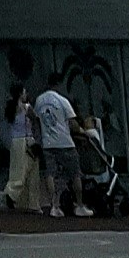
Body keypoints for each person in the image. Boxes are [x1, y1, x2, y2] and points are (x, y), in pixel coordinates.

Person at [33, 71, 80, 220]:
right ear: (59, 84)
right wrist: (81, 130)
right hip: (65, 142)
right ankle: (80, 204)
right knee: (75, 173)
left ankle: (54, 205)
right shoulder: (62, 101)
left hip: (48, 143)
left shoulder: (39, 100)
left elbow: (36, 120)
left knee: (51, 174)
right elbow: (73, 123)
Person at [1, 82, 38, 212]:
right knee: (30, 171)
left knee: (16, 169)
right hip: (26, 140)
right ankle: (20, 196)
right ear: (20, 94)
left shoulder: (10, 108)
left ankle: (16, 195)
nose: (26, 94)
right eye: (24, 92)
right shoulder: (26, 108)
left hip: (15, 141)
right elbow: (35, 119)